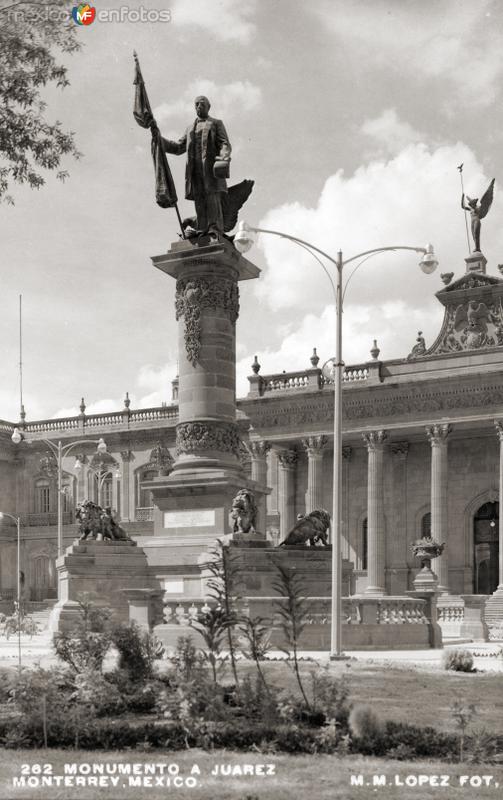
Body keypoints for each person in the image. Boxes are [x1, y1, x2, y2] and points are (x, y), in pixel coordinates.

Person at [155, 96, 231, 238]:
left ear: (209, 106)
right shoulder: (190, 128)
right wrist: (159, 138)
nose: (199, 107)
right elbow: (178, 147)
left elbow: (224, 143)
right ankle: (202, 228)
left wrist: (224, 157)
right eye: (196, 104)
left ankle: (214, 228)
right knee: (199, 199)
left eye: (202, 104)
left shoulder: (216, 123)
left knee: (212, 198)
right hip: (194, 170)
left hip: (210, 169)